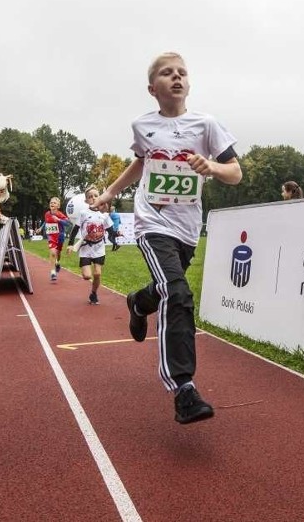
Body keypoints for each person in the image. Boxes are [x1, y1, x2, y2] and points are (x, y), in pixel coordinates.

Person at [92, 51, 242, 425]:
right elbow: (141, 163)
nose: (176, 78)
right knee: (178, 293)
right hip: (152, 222)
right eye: (166, 74)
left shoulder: (206, 124)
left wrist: (212, 166)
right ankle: (183, 388)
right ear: (152, 88)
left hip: (187, 228)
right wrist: (111, 193)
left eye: (182, 73)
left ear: (188, 84)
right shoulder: (143, 125)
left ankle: (139, 303)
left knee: (166, 289)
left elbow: (236, 172)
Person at [69, 187, 112, 304]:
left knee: (97, 273)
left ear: (100, 197)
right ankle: (90, 284)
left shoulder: (104, 215)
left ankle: (93, 293)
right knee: (87, 276)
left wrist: (116, 239)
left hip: (99, 247)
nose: (93, 198)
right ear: (86, 201)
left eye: (96, 195)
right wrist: (70, 244)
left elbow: (110, 229)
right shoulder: (83, 213)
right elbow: (75, 229)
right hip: (85, 248)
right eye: (90, 196)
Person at [43, 196, 70, 281]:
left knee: (58, 253)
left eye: (54, 203)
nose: (52, 204)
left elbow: (68, 223)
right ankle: (53, 272)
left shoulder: (60, 214)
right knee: (53, 252)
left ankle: (57, 262)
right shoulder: (47, 214)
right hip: (51, 236)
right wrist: (41, 227)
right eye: (51, 202)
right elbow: (46, 221)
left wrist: (58, 220)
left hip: (60, 236)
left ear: (58, 206)